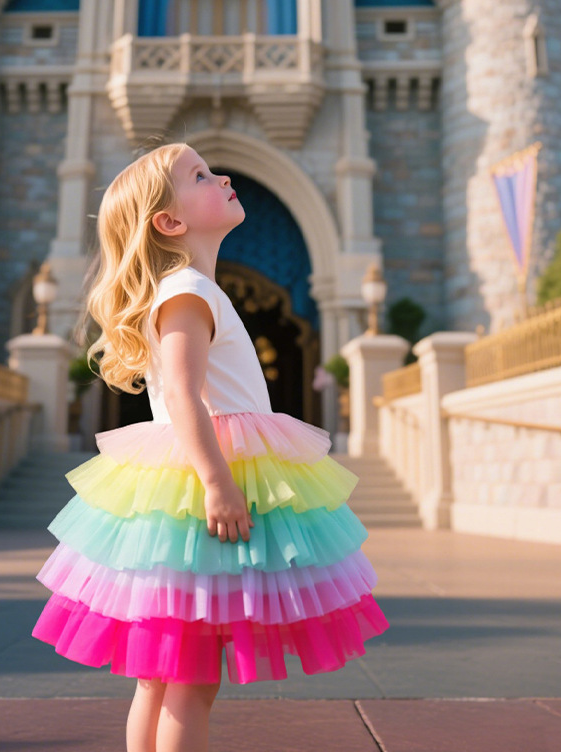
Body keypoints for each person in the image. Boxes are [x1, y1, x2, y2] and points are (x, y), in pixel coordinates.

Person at [31, 143, 389, 752]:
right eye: (199, 175)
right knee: (190, 680)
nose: (221, 175)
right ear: (170, 221)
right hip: (203, 483)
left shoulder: (190, 288)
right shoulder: (188, 290)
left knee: (162, 677)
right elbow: (182, 395)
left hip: (186, 483)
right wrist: (220, 483)